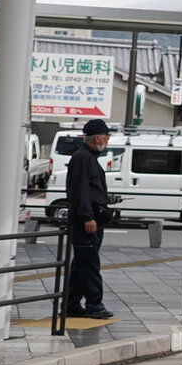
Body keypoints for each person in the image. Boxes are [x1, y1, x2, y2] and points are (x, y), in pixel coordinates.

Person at [65, 118, 114, 319]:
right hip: (86, 220)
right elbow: (81, 191)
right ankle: (95, 305)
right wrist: (87, 217)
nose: (108, 140)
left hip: (90, 217)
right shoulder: (83, 158)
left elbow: (87, 189)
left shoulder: (87, 157)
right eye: (107, 136)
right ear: (99, 138)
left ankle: (71, 303)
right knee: (89, 262)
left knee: (82, 262)